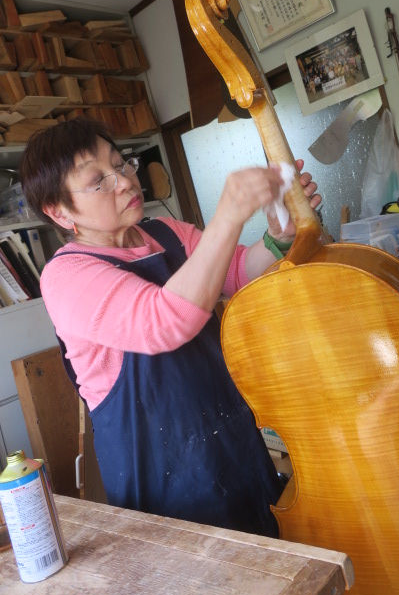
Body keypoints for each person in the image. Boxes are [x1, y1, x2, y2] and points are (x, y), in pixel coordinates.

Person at [20, 115, 321, 538]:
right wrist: (228, 215)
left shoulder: (166, 232)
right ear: (59, 210)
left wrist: (278, 235)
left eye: (121, 165)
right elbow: (162, 322)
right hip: (163, 478)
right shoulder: (66, 277)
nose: (124, 181)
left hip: (233, 443)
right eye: (98, 181)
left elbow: (236, 272)